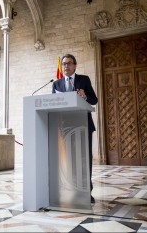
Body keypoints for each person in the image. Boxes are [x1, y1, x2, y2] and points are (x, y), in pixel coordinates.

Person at [52, 53, 98, 203]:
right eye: (64, 64)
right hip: (65, 127)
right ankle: (72, 190)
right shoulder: (56, 84)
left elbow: (94, 100)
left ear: (75, 65)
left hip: (83, 124)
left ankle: (86, 192)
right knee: (69, 161)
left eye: (69, 63)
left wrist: (84, 96)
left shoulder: (84, 80)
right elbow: (53, 104)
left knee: (84, 159)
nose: (65, 66)